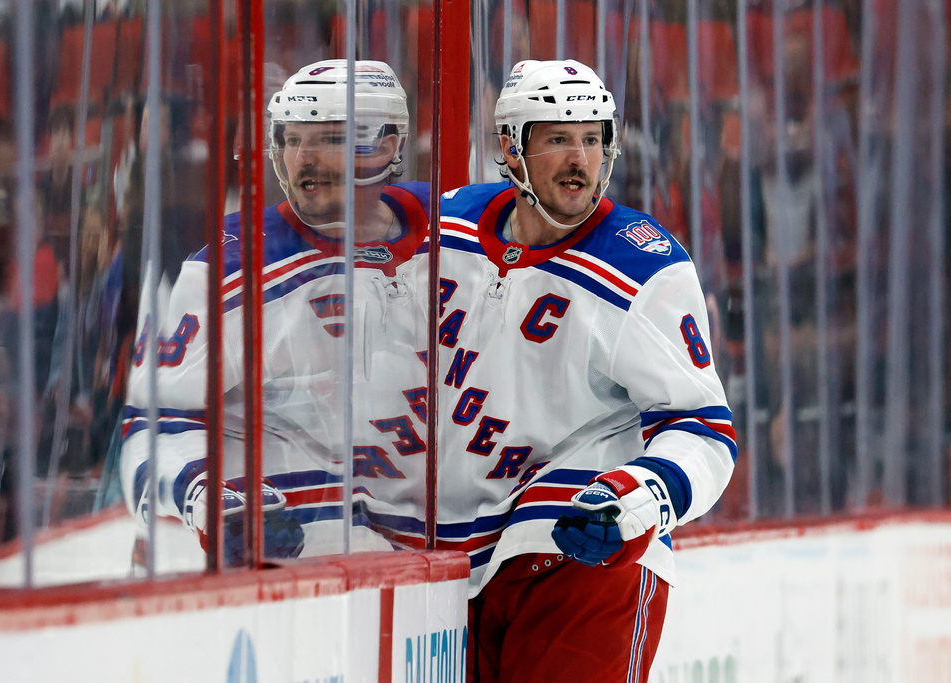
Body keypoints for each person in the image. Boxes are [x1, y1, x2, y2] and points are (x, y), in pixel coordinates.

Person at [437, 60, 736, 682]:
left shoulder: (643, 265)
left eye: (593, 139)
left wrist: (642, 496)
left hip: (583, 553)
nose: (581, 159)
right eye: (557, 139)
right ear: (510, 149)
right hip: (454, 568)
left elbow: (705, 432)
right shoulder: (449, 230)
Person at [119, 60, 431, 565]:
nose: (302, 159)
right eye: (290, 139)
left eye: (328, 138)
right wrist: (210, 499)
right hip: (285, 566)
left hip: (440, 572)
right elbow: (151, 425)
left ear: (389, 145)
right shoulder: (230, 266)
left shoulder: (456, 234)